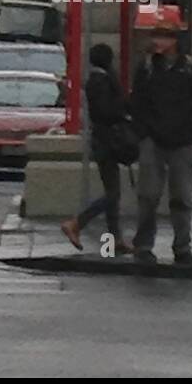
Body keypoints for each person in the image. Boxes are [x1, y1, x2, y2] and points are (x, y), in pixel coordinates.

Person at [129, 19, 192, 267]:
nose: (157, 41)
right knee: (148, 195)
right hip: (153, 139)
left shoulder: (190, 69)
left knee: (182, 197)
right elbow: (138, 103)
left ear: (175, 41)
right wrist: (142, 132)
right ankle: (143, 245)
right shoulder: (146, 68)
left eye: (164, 36)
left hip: (182, 140)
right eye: (156, 36)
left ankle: (182, 247)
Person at [60, 44, 133, 256]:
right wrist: (123, 113)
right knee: (112, 194)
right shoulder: (101, 81)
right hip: (107, 141)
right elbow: (106, 111)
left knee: (113, 192)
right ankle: (77, 223)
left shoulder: (97, 79)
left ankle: (114, 240)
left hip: (103, 141)